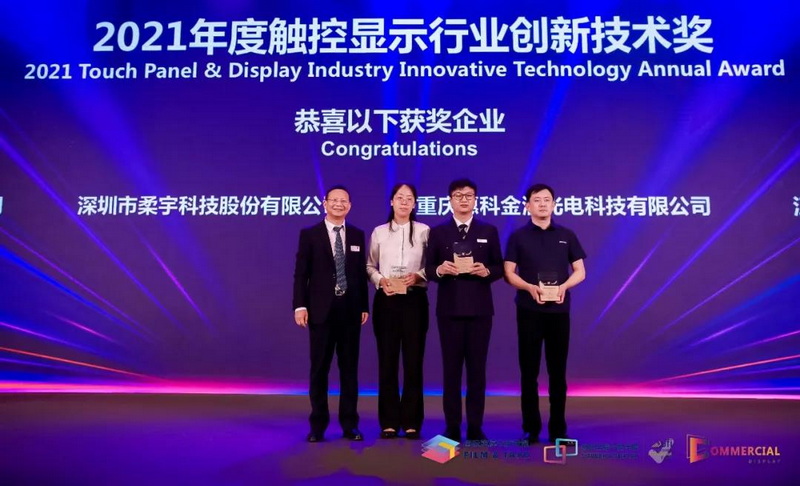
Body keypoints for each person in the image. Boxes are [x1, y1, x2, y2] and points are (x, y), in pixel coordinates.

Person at [503, 183, 586, 444]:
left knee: (557, 372)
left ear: (554, 204)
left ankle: (558, 428)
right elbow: (508, 273)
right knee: (528, 372)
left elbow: (580, 271)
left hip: (559, 311)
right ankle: (531, 428)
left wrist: (564, 287)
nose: (542, 204)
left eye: (547, 200)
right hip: (529, 310)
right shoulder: (518, 237)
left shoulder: (566, 235)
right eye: (536, 200)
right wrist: (529, 287)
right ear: (527, 205)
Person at [424, 178, 503, 442]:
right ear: (450, 200)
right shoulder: (439, 232)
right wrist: (440, 269)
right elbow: (428, 269)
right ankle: (452, 426)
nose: (464, 199)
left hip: (480, 311)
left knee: (477, 371)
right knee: (451, 371)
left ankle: (475, 426)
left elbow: (499, 267)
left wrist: (487, 271)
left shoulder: (488, 230)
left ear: (475, 200)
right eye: (458, 195)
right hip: (449, 311)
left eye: (469, 195)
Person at [293, 185, 369, 442]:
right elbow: (301, 274)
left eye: (344, 200)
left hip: (350, 312)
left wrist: (364, 306)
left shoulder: (357, 234)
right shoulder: (310, 234)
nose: (339, 204)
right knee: (319, 370)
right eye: (334, 200)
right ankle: (317, 425)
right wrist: (300, 305)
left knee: (349, 370)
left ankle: (350, 424)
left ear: (350, 205)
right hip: (320, 312)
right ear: (324, 203)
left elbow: (359, 274)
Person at [366, 183, 430, 440]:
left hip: (415, 300)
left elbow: (432, 265)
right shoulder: (379, 232)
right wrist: (380, 280)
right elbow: (370, 265)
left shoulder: (424, 231)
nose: (404, 202)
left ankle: (412, 421)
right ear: (391, 201)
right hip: (387, 300)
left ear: (414, 204)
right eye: (399, 197)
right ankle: (389, 421)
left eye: (409, 198)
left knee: (414, 361)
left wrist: (418, 276)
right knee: (387, 360)